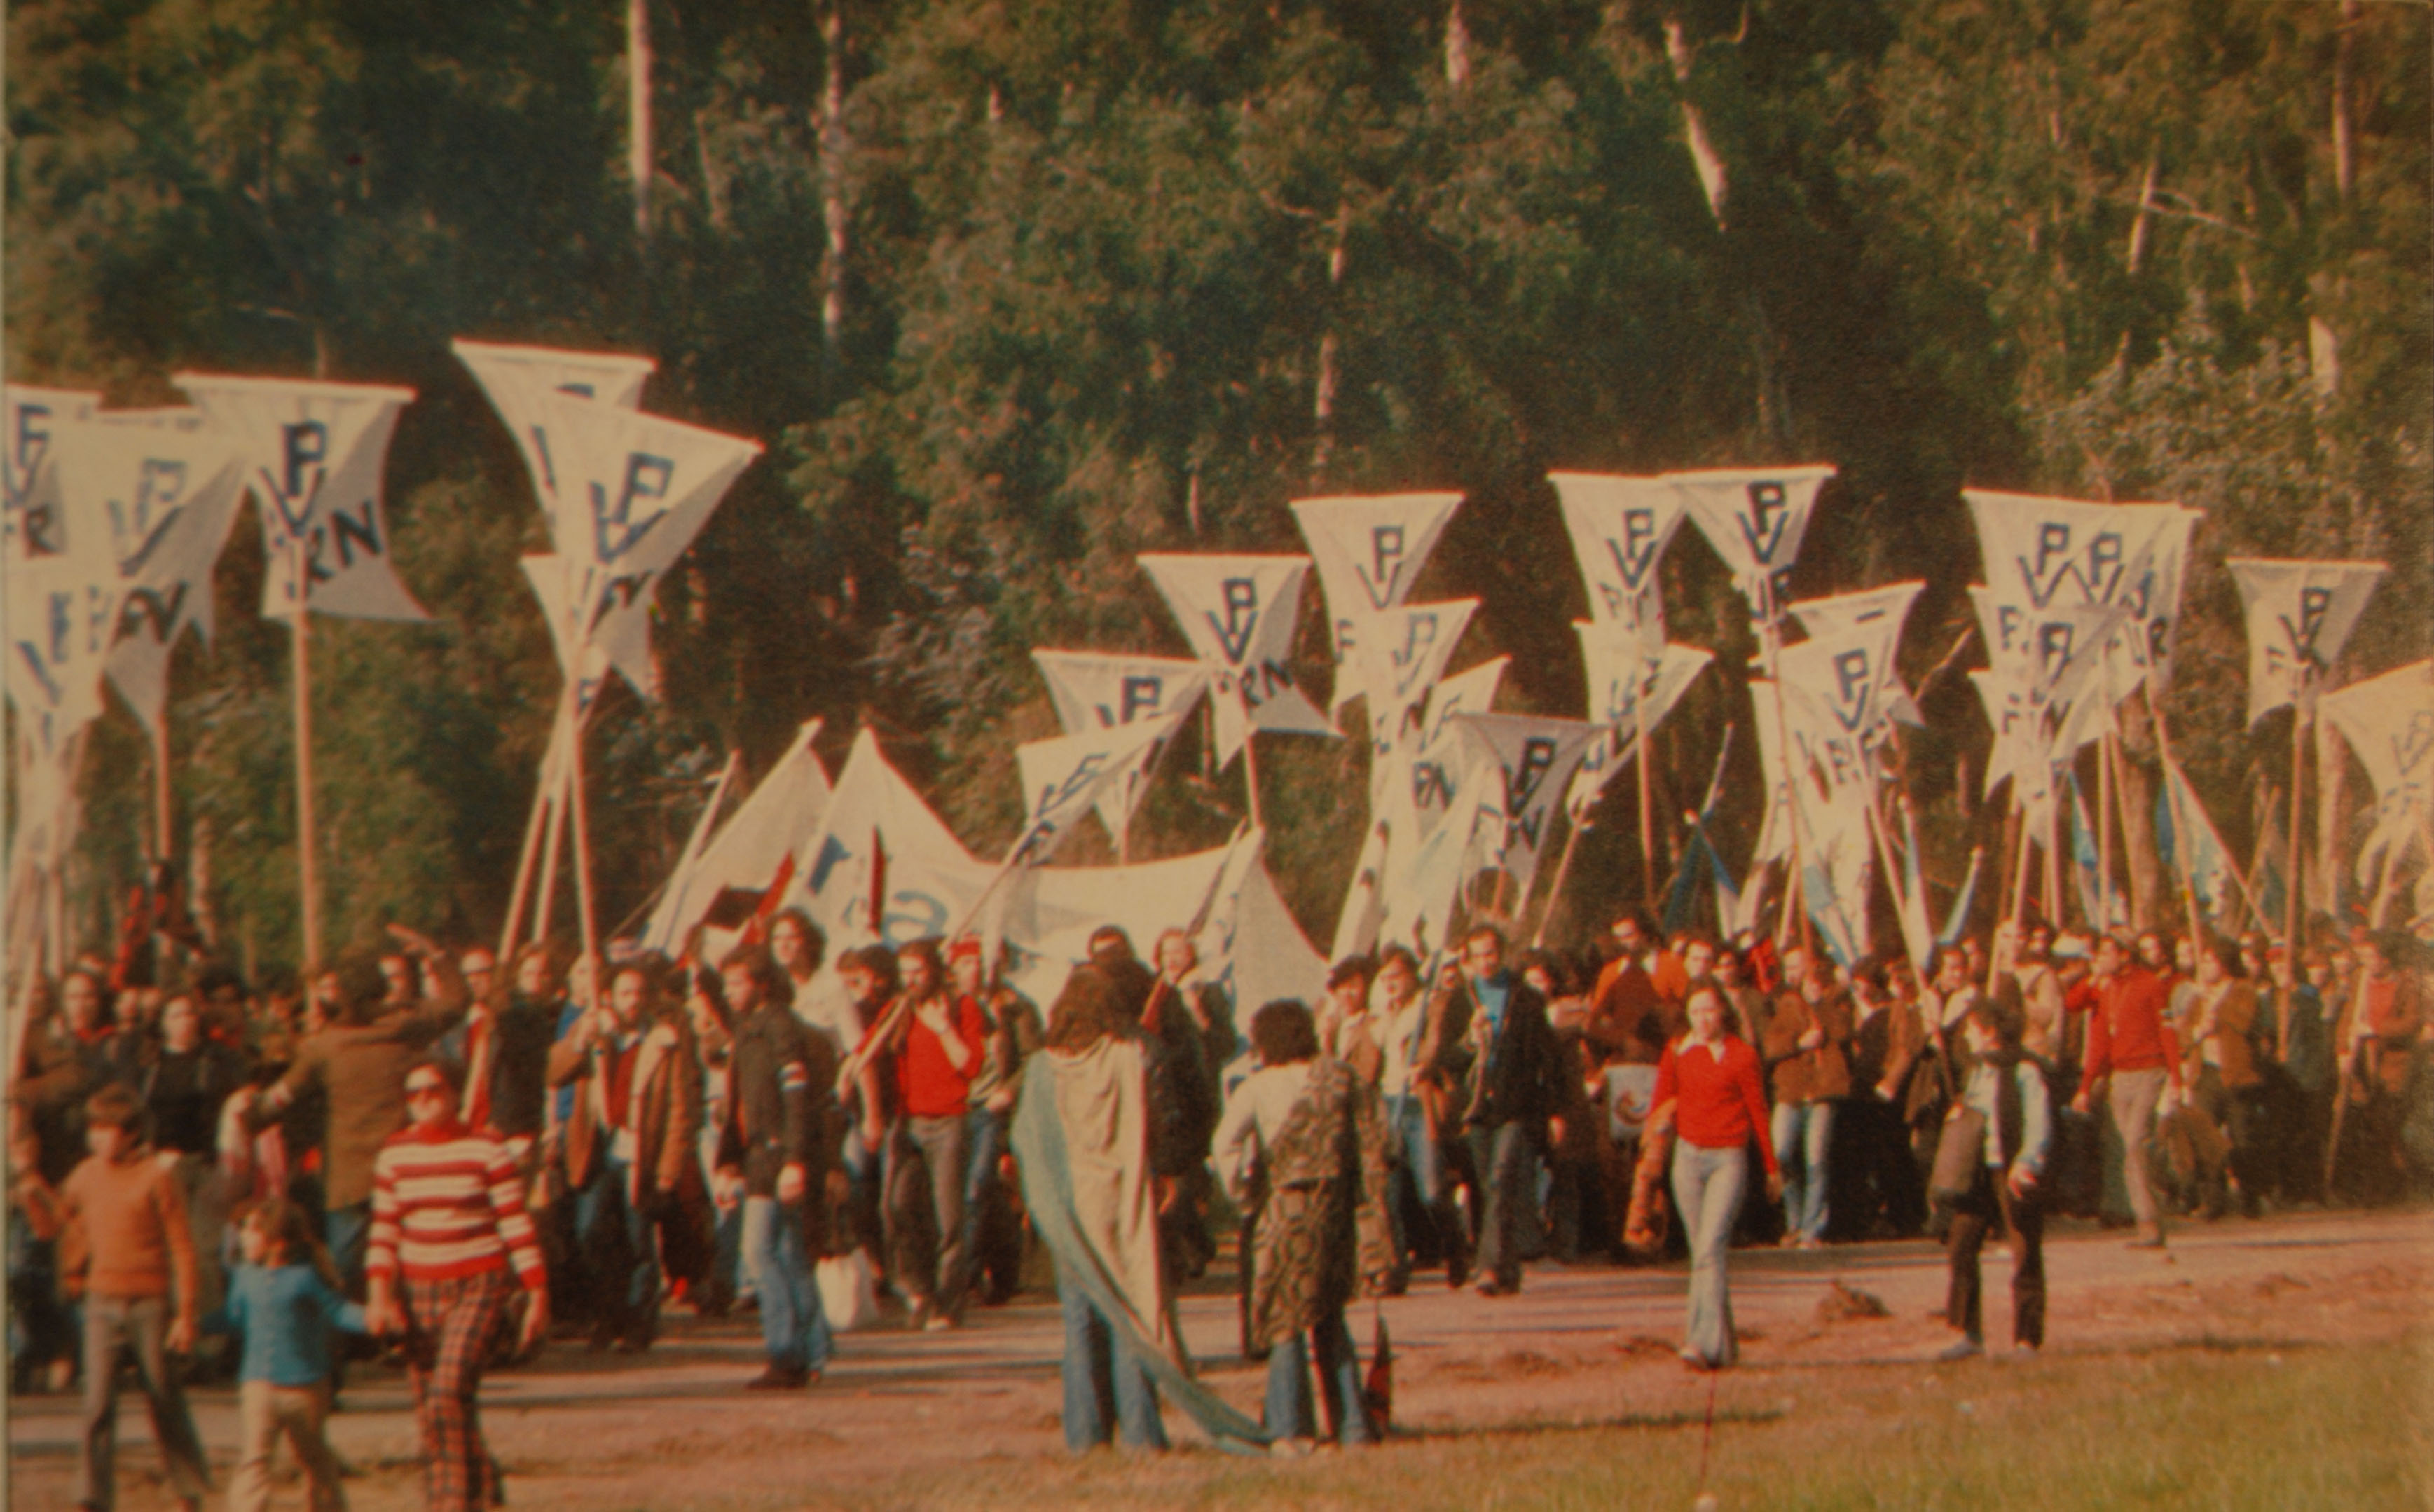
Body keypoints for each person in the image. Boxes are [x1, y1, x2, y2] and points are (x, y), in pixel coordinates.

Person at [364, 1056, 549, 1512]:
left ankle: (451, 1503)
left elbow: (515, 1223)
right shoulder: (395, 1154)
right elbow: (384, 1231)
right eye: (413, 1094)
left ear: (453, 1093)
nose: (422, 1101)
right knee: (435, 1410)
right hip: (418, 1287)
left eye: (432, 1090)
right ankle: (484, 1492)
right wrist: (379, 1296)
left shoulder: (487, 1148)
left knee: (447, 1390)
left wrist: (538, 1293)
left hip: (478, 1283)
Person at [1214, 999, 1394, 1454]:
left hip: (1284, 1210)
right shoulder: (1342, 1079)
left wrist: (1243, 1197)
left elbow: (1225, 1145)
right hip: (1334, 1212)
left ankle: (1291, 1428)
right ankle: (1353, 1425)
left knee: (1285, 1320)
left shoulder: (1258, 1086)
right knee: (1329, 1314)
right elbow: (1380, 1139)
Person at [249, 928, 471, 1295]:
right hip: (404, 1170)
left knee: (344, 1269)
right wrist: (434, 953)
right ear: (381, 990)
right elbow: (456, 1001)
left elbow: (280, 1098)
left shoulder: (325, 1047)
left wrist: (250, 1112)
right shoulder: (405, 1026)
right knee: (409, 1258)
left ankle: (356, 1337)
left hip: (348, 1180)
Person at [60, 1083, 212, 1512]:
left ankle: (189, 1490)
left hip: (149, 1303)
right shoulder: (86, 1174)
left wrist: (185, 1314)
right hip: (101, 1302)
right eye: (94, 1129)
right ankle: (93, 1498)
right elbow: (60, 1219)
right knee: (96, 1405)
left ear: (130, 1134)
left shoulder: (157, 1177)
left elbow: (182, 1248)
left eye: (109, 1130)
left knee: (163, 1395)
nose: (99, 1138)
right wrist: (28, 1181)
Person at [549, 959, 701, 1349]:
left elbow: (681, 1108)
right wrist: (581, 1040)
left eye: (639, 993)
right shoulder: (596, 1034)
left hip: (639, 1153)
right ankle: (607, 1314)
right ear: (611, 997)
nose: (632, 1001)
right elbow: (554, 1073)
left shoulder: (664, 1040)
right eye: (625, 993)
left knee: (638, 1240)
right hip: (597, 1151)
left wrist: (670, 1167)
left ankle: (638, 1322)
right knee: (591, 1233)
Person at [1412, 926, 1565, 1296]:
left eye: (1491, 954)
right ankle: (1507, 1267)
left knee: (1501, 1177)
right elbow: (1445, 1059)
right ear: (1467, 958)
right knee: (1486, 1187)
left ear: (1502, 953)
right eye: (1477, 955)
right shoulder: (1459, 1001)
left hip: (1516, 1105)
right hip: (1477, 1106)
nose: (1485, 962)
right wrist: (1469, 1040)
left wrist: (1556, 1112)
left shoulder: (1525, 998)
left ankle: (1489, 1268)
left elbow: (1549, 1057)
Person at [714, 942, 838, 1388]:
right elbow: (740, 1104)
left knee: (758, 1252)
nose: (728, 991)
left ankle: (785, 1354)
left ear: (762, 983)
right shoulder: (748, 1029)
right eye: (725, 983)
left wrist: (794, 1160)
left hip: (776, 1156)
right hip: (758, 1155)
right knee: (788, 1253)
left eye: (737, 982)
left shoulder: (780, 1029)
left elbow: (796, 1099)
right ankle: (816, 1351)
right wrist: (729, 1159)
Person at [1651, 985, 1780, 1370]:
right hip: (1688, 1159)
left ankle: (1700, 1342)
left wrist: (1772, 1167)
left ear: (1723, 1012)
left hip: (1728, 1157)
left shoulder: (1742, 1056)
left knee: (1710, 1247)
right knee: (1704, 1256)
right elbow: (1661, 1105)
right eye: (1695, 1011)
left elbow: (1759, 1111)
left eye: (1710, 1011)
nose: (1703, 1019)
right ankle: (1724, 1346)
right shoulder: (1677, 1052)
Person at [214, 1198, 365, 1512]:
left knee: (315, 1460)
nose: (243, 1237)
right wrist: (190, 1323)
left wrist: (375, 1318)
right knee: (255, 1459)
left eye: (251, 1230)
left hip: (306, 1389)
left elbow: (338, 1312)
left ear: (276, 1240)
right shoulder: (244, 1277)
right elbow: (231, 1317)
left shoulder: (305, 1277)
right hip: (258, 1386)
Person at [881, 938, 986, 1328]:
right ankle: (919, 1287)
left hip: (949, 1122)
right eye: (904, 972)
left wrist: (943, 1029)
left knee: (948, 1217)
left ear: (935, 971)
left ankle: (948, 1301)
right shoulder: (898, 1009)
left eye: (918, 972)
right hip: (908, 1122)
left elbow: (970, 1065)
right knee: (898, 1206)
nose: (910, 980)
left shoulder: (962, 1007)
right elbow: (868, 1048)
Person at [1937, 996, 2050, 1361]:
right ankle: (1968, 1333)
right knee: (1962, 1245)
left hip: (2011, 1169)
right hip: (1976, 1172)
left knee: (2024, 1250)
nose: (1967, 1037)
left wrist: (2026, 1163)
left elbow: (2038, 1122)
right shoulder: (1976, 1071)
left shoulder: (2024, 1071)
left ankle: (2026, 1339)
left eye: (1972, 1029)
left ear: (1989, 1033)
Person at [2071, 933, 2183, 1249]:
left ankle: (2149, 1220)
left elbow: (2167, 1030)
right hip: (2120, 1077)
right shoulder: (2107, 990)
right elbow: (2099, 1040)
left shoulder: (2151, 984)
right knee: (2129, 1150)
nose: (2100, 960)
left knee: (2135, 1143)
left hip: (2150, 1072)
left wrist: (2177, 1078)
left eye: (2106, 953)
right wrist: (2085, 1086)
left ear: (2124, 955)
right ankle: (2147, 1218)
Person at [1762, 951, 1855, 1249]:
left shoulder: (1834, 1002)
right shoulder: (1783, 1004)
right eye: (1789, 968)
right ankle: (1794, 1220)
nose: (1794, 974)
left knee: (1816, 1160)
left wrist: (1821, 1004)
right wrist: (1797, 1043)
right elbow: (1770, 1046)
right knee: (1783, 1155)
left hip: (1822, 1091)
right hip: (1791, 1091)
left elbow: (1843, 1032)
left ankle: (1812, 1228)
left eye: (1799, 968)